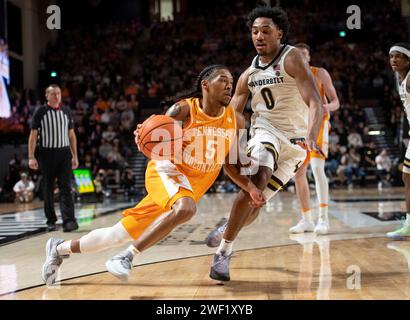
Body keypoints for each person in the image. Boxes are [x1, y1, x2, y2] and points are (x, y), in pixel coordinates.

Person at [41, 65, 266, 284]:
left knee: (116, 235)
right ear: (205, 85)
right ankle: (126, 257)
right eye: (223, 80)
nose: (229, 86)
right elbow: (156, 136)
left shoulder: (237, 120)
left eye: (231, 82)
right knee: (186, 209)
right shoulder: (184, 110)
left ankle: (59, 248)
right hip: (167, 171)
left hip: (188, 187)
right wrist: (146, 135)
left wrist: (251, 187)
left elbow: (231, 165)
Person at [206, 6, 323, 281]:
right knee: (258, 178)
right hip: (265, 131)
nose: (259, 36)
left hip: (295, 144)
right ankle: (223, 253)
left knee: (256, 203)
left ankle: (227, 228)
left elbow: (314, 100)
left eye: (265, 30)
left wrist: (312, 133)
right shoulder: (248, 74)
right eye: (254, 31)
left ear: (279, 33)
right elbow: (233, 113)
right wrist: (227, 141)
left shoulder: (292, 58)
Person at [289, 43, 340, 235]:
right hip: (300, 126)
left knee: (318, 169)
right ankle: (306, 220)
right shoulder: (289, 76)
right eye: (297, 55)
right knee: (298, 173)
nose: (301, 57)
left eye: (304, 54)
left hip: (319, 124)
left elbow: (336, 101)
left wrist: (327, 107)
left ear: (309, 57)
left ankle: (323, 219)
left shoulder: (320, 73)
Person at [28, 84, 79, 232]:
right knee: (48, 188)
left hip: (64, 154)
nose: (56, 96)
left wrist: (75, 155)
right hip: (46, 153)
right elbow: (33, 135)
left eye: (58, 93)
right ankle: (51, 219)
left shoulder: (67, 111)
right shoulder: (40, 111)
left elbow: (71, 135)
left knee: (66, 188)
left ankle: (69, 221)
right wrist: (31, 156)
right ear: (47, 96)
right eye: (53, 94)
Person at [386, 43, 410, 240]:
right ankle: (409, 224)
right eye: (391, 56)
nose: (393, 60)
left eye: (398, 56)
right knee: (406, 178)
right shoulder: (399, 79)